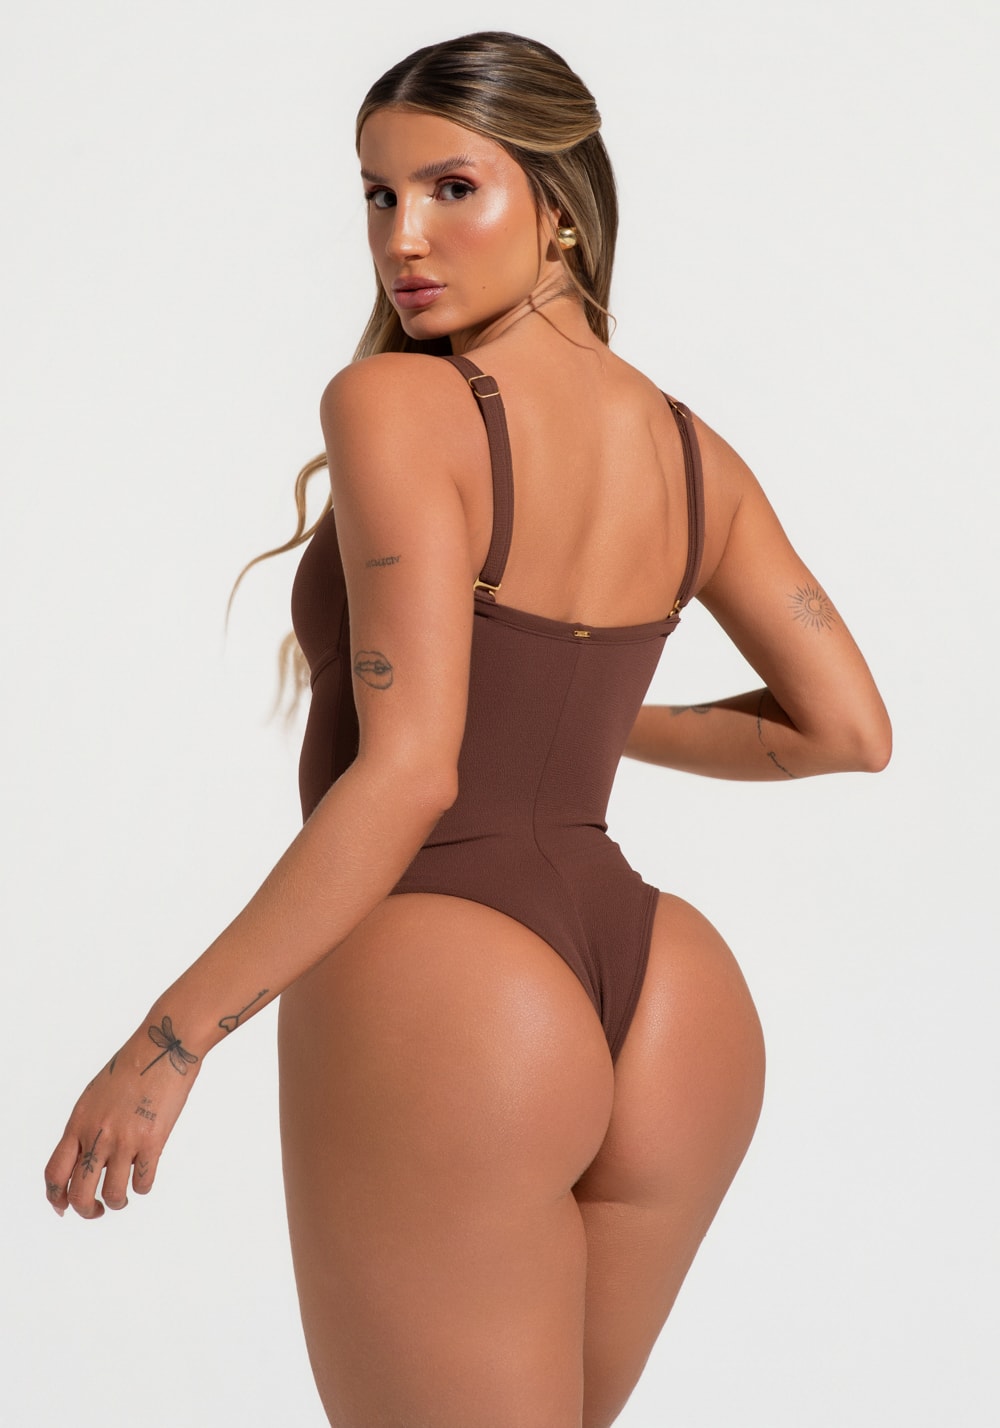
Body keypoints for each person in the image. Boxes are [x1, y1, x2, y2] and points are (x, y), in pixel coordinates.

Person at [45, 30, 891, 1428]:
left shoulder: (397, 403)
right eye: (378, 196)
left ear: (559, 206)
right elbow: (845, 730)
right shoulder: (695, 454)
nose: (404, 237)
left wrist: (168, 1044)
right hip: (672, 997)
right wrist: (584, 723)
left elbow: (410, 775)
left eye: (452, 189)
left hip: (451, 984)